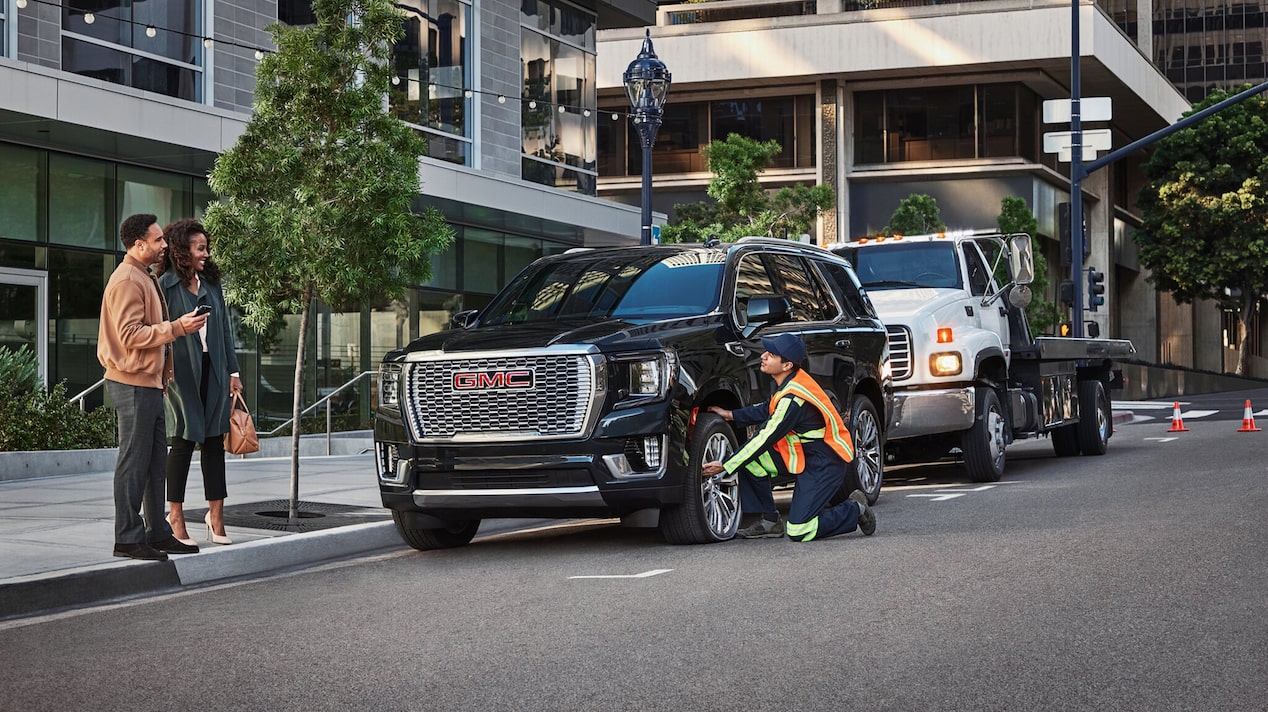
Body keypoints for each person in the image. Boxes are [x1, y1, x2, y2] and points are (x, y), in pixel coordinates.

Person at [98, 214, 208, 561]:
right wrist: (177, 328)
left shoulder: (144, 276)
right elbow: (129, 335)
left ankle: (157, 532)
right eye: (158, 240)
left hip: (148, 384)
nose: (164, 245)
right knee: (134, 463)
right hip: (131, 384)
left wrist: (161, 375)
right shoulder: (128, 280)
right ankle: (128, 538)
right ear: (138, 244)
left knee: (154, 463)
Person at [701, 333, 877, 542]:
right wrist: (731, 415)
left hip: (825, 463)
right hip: (806, 455)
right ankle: (769, 522)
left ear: (786, 365)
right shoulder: (790, 382)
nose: (764, 356)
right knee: (749, 463)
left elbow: (763, 438)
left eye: (772, 354)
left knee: (799, 530)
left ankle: (854, 509)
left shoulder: (793, 400)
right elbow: (768, 407)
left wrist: (726, 465)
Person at [157, 218, 242, 546]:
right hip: (181, 374)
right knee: (181, 441)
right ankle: (175, 515)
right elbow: (161, 332)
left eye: (206, 248)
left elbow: (224, 331)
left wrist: (233, 372)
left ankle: (215, 515)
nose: (205, 253)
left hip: (215, 370)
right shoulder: (164, 285)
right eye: (200, 248)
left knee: (213, 443)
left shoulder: (211, 284)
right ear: (182, 250)